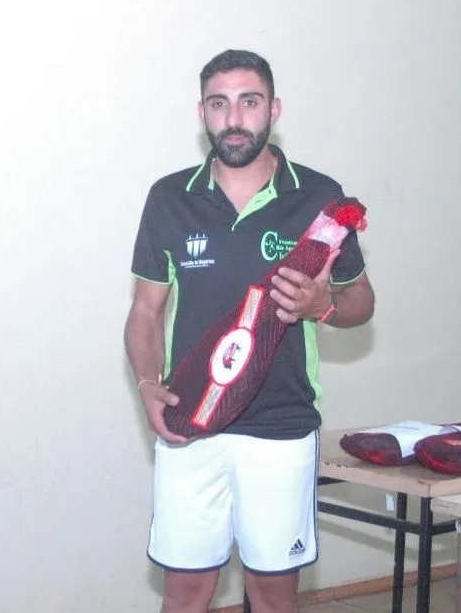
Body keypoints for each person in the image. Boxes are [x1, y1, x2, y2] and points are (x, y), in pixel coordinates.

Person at [124, 49, 375, 613]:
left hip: (281, 425)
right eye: (219, 104)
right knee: (185, 592)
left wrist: (323, 307)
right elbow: (144, 312)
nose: (234, 118)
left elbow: (361, 300)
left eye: (249, 102)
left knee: (272, 594)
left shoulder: (319, 198)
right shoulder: (169, 198)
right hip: (190, 423)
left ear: (273, 110)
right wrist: (146, 385)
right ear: (202, 114)